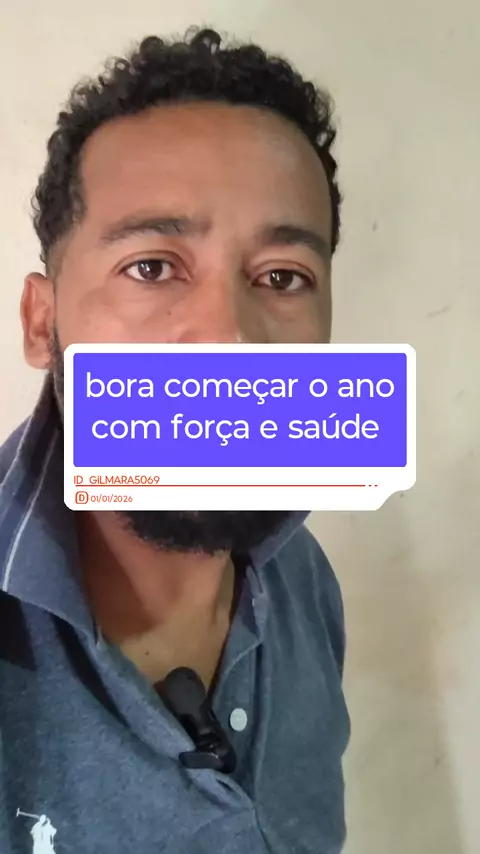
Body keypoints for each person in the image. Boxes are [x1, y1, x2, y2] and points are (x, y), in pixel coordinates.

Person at [0, 27, 350, 854]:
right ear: (44, 323)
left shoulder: (303, 579)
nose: (231, 341)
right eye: (153, 267)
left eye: (282, 277)